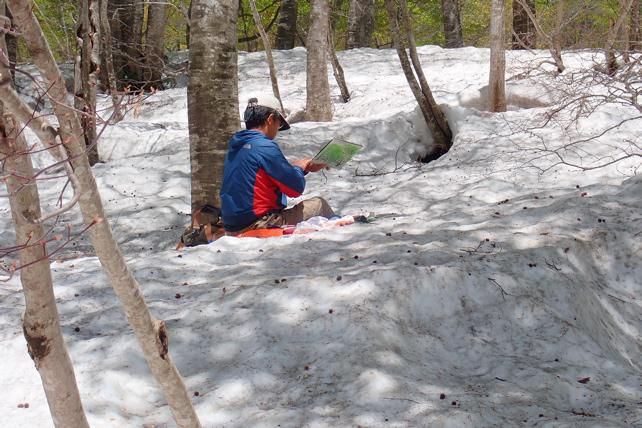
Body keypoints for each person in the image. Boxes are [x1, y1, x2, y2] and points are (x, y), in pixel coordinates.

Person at [220, 94, 335, 235]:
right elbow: (295, 188)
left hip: (233, 225)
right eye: (279, 123)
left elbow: (262, 175)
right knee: (319, 204)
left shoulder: (236, 145)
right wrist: (299, 168)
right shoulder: (264, 146)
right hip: (259, 223)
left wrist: (302, 168)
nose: (277, 129)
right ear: (270, 119)